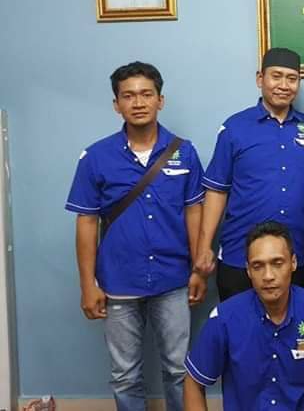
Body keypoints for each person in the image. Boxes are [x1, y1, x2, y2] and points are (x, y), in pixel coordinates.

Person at [65, 61, 206, 411]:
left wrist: (198, 270)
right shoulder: (96, 157)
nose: (138, 102)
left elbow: (194, 212)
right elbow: (86, 222)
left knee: (178, 369)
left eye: (146, 94)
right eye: (128, 96)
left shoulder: (184, 152)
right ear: (117, 104)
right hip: (118, 281)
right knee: (125, 375)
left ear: (161, 100)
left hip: (173, 280)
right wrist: (87, 285)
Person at [195, 48, 304, 301]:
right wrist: (204, 246)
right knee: (239, 323)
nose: (284, 85)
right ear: (260, 79)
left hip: (294, 256)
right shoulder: (235, 127)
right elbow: (217, 190)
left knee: (291, 323)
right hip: (240, 256)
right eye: (276, 76)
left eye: (292, 78)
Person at [184, 221, 304, 410]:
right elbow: (193, 382)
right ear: (248, 270)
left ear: (293, 263)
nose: (268, 275)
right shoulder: (224, 319)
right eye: (258, 266)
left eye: (277, 263)